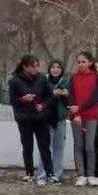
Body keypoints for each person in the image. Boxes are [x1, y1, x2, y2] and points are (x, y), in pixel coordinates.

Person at [8, 54, 54, 185]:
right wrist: (23, 99)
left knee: (44, 147)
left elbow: (50, 96)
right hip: (24, 118)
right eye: (33, 66)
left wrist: (43, 105)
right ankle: (29, 173)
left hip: (41, 118)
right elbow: (12, 101)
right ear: (25, 67)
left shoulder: (42, 79)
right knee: (27, 147)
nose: (36, 69)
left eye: (37, 66)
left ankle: (49, 173)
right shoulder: (15, 81)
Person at [67, 51, 98, 187]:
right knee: (78, 145)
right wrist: (76, 113)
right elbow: (71, 97)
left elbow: (96, 98)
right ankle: (81, 175)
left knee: (89, 146)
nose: (80, 64)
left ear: (90, 62)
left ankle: (91, 174)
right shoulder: (73, 78)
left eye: (83, 62)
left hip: (91, 115)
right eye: (78, 62)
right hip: (76, 116)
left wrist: (80, 108)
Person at [42, 59, 70, 184]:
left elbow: (71, 98)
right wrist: (53, 93)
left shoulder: (66, 81)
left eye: (58, 67)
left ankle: (56, 174)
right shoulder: (44, 80)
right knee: (45, 147)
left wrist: (66, 94)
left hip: (60, 118)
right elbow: (40, 95)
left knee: (59, 147)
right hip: (46, 118)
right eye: (53, 67)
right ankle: (43, 173)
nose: (55, 69)